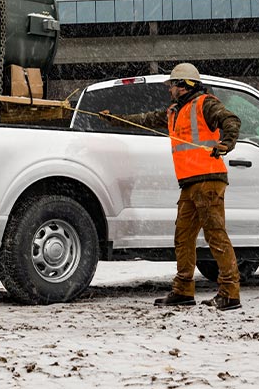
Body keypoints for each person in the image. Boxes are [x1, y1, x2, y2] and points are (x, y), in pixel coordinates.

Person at [100, 63, 242, 311]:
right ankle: (183, 290)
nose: (169, 90)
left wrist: (226, 143)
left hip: (208, 179)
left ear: (185, 86)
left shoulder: (205, 103)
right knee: (183, 237)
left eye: (172, 85)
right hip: (189, 183)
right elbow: (144, 120)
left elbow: (231, 119)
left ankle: (230, 293)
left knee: (215, 236)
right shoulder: (174, 112)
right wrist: (115, 119)